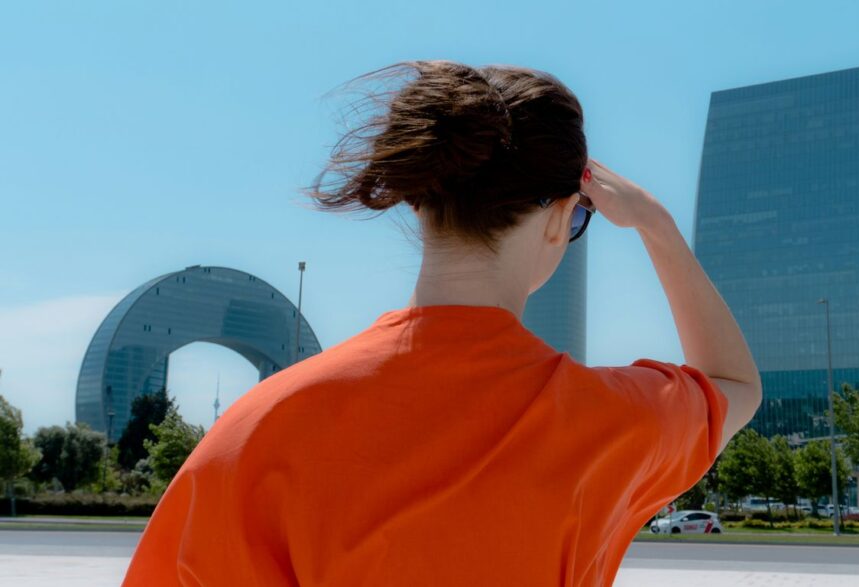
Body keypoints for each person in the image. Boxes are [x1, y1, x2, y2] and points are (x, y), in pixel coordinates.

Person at [122, 59, 761, 586]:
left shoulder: (256, 430)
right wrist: (656, 224)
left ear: (422, 202)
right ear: (558, 220)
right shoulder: (606, 422)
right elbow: (734, 383)